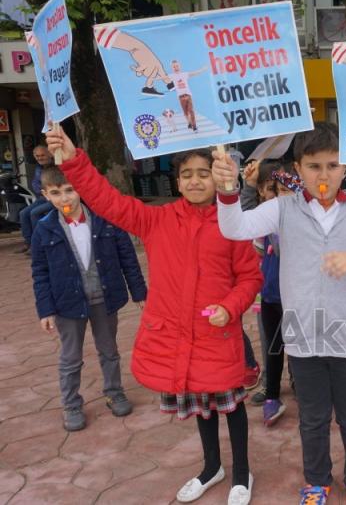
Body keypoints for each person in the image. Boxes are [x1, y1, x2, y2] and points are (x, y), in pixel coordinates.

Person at [45, 128, 262, 505]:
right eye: (187, 174)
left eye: (203, 172)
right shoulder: (155, 220)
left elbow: (250, 277)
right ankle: (213, 468)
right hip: (177, 338)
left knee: (231, 407)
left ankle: (242, 473)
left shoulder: (233, 224)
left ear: (218, 176)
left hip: (218, 335)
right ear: (177, 182)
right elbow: (105, 200)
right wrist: (74, 160)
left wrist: (229, 308)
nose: (195, 180)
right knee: (202, 408)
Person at [213, 122, 346, 505]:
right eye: (314, 165)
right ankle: (316, 479)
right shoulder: (282, 208)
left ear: (345, 168)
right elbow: (236, 228)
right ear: (298, 168)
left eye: (333, 165)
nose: (324, 174)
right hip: (303, 335)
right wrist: (227, 190)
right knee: (313, 417)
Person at [31, 165, 146, 431]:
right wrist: (45, 310)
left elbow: (127, 257)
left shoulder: (105, 219)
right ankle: (71, 403)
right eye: (56, 193)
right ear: (46, 195)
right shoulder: (43, 230)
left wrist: (139, 292)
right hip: (67, 305)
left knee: (109, 350)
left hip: (104, 299)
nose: (65, 198)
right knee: (70, 357)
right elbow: (40, 272)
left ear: (80, 189)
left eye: (70, 190)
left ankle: (114, 392)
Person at [241, 160, 300, 427]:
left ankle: (303, 384)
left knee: (301, 346)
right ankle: (272, 396)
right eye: (275, 189)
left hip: (299, 297)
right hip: (271, 296)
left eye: (288, 189)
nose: (280, 195)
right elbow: (247, 227)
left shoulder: (305, 221)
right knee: (273, 348)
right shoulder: (266, 220)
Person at [17, 145, 54, 254]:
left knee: (34, 213)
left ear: (50, 154)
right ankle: (29, 243)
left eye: (42, 155)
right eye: (37, 156)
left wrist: (46, 189)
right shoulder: (38, 167)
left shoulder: (57, 166)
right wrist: (42, 189)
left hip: (55, 199)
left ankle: (39, 244)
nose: (39, 158)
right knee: (23, 213)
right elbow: (35, 184)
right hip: (43, 197)